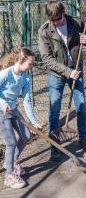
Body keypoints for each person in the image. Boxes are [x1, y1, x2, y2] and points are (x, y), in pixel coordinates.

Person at [38, 0, 86, 161]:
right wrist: (68, 72)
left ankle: (83, 138)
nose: (56, 23)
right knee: (54, 108)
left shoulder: (76, 22)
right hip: (57, 75)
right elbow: (47, 59)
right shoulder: (44, 31)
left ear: (63, 13)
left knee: (81, 104)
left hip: (77, 69)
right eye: (52, 20)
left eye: (58, 19)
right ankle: (55, 147)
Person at [0, 48, 42, 189]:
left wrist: (34, 122)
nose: (31, 67)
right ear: (20, 60)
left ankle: (11, 161)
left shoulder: (25, 78)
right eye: (30, 64)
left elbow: (26, 101)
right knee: (11, 142)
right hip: (1, 111)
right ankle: (9, 175)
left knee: (26, 135)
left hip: (13, 109)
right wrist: (3, 103)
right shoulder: (6, 74)